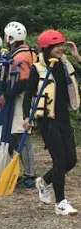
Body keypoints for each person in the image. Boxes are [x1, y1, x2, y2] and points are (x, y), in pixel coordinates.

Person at [24, 30, 79, 216]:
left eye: (62, 45)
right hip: (47, 121)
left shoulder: (65, 64)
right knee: (60, 160)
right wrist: (26, 117)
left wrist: (77, 56)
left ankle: (44, 181)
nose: (61, 49)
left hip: (64, 118)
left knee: (71, 160)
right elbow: (28, 95)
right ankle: (60, 203)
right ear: (47, 48)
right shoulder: (37, 69)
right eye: (57, 46)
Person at [0, 21, 37, 188]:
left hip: (23, 99)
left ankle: (30, 174)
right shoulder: (25, 52)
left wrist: (6, 95)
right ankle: (24, 171)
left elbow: (23, 81)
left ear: (10, 38)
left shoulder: (21, 56)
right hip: (22, 98)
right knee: (18, 135)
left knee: (22, 136)